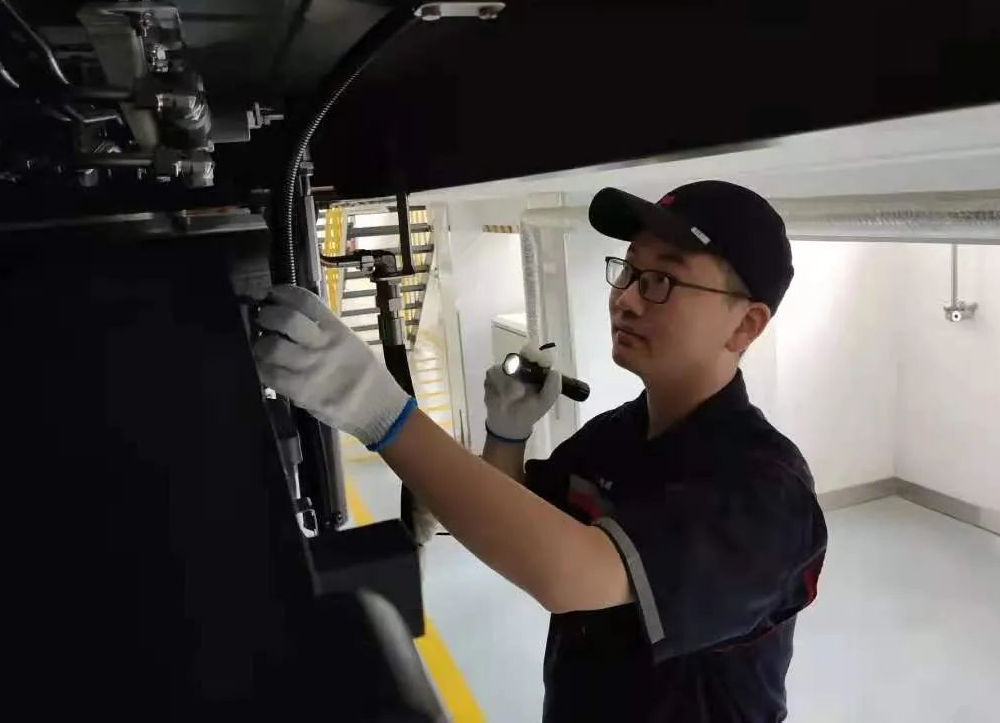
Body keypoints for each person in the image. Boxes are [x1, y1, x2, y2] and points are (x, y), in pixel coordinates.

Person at [254, 179, 827, 723]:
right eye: (629, 271)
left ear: (745, 326)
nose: (626, 300)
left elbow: (570, 575)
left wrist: (378, 410)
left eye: (662, 281)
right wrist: (507, 432)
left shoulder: (767, 492)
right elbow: (514, 532)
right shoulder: (612, 436)